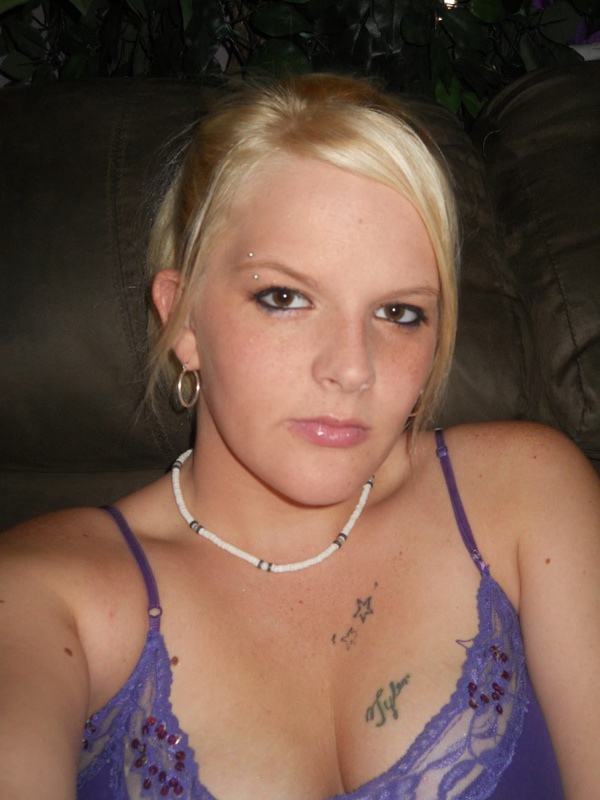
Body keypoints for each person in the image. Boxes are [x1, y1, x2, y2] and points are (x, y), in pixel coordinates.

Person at [1, 73, 599, 800]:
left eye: (399, 313)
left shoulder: (525, 493)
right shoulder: (46, 594)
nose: (352, 368)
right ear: (184, 321)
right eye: (284, 297)